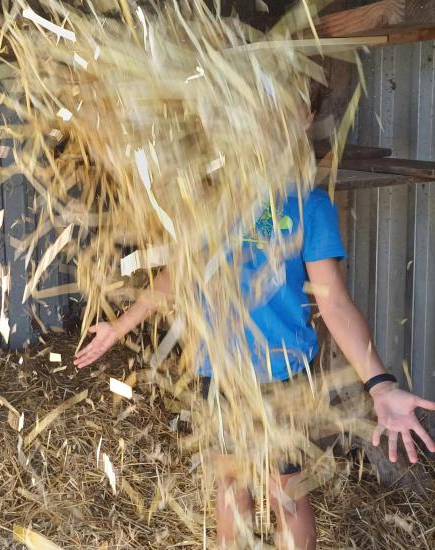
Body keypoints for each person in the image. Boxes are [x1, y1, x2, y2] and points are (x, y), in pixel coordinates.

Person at [73, 110, 435, 548]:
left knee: (286, 493)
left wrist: (378, 384)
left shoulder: (307, 204)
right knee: (231, 487)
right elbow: (180, 274)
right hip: (219, 371)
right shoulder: (206, 204)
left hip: (283, 376)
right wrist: (119, 325)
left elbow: (333, 301)